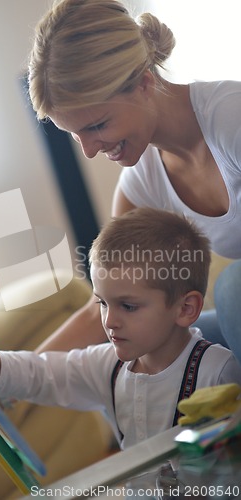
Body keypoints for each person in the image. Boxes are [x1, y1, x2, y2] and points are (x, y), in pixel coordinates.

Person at [28, 0, 241, 363]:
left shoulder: (230, 117)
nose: (91, 150)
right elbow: (110, 304)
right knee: (136, 354)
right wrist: (3, 380)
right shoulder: (142, 185)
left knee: (232, 290)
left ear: (144, 84)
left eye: (97, 126)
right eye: (77, 135)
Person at [0, 208, 241, 448]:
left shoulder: (220, 370)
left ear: (185, 309)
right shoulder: (106, 365)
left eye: (128, 306)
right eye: (103, 303)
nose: (109, 321)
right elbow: (42, 372)